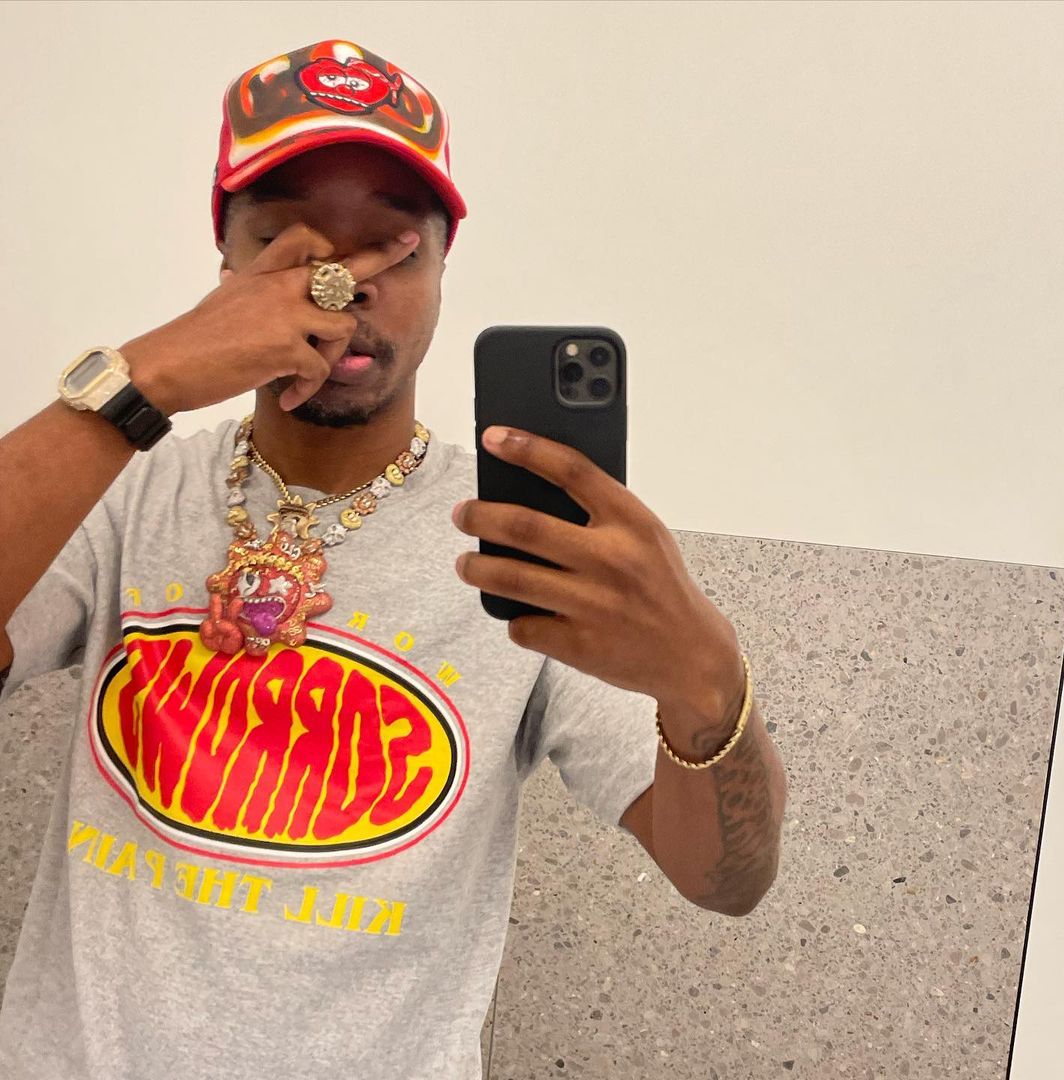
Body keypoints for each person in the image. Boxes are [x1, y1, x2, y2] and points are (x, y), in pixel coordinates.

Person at [0, 39, 787, 1079]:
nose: (341, 285)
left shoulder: (524, 544)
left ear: (443, 272)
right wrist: (144, 377)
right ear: (226, 268)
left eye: (392, 249)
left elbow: (723, 880)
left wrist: (707, 684)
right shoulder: (125, 489)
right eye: (286, 244)